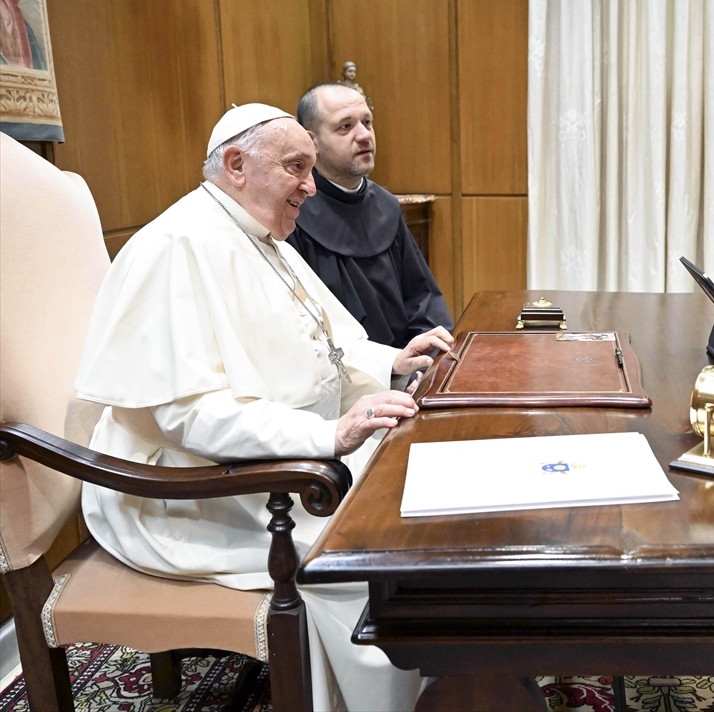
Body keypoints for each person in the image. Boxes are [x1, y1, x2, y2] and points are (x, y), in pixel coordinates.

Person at [75, 103, 454, 712]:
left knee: (418, 494)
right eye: (296, 167)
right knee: (360, 554)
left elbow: (329, 340)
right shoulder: (176, 245)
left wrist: (392, 361)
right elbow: (187, 418)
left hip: (272, 459)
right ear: (236, 165)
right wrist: (327, 435)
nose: (310, 184)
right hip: (183, 490)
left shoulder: (259, 232)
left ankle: (440, 677)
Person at [288, 82, 452, 351]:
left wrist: (428, 361)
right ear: (311, 141)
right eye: (345, 126)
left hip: (407, 370)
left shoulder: (386, 206)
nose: (364, 135)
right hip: (343, 379)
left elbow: (423, 302)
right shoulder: (294, 214)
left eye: (367, 122)